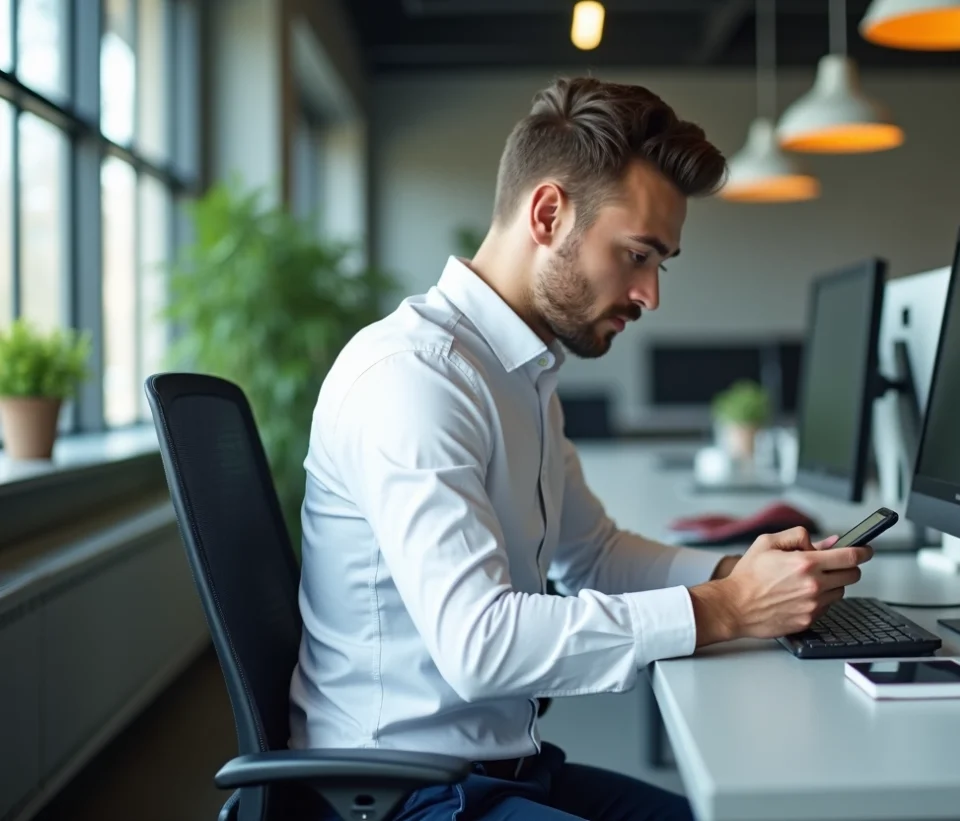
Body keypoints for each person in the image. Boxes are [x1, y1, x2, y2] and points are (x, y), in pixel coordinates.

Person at [291, 77, 874, 821]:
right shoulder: (414, 378)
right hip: (397, 797)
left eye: (662, 263)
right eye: (637, 255)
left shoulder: (521, 372)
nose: (650, 294)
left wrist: (744, 573)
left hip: (501, 770)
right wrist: (724, 608)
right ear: (547, 214)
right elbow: (480, 644)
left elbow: (590, 554)